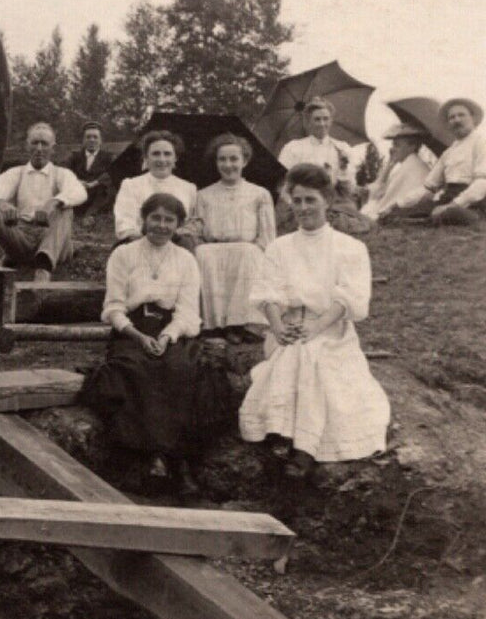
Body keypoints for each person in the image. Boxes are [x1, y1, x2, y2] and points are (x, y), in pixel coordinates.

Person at [238, 164, 391, 479]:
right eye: (297, 200)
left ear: (327, 200)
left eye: (311, 200)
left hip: (332, 332)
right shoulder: (280, 247)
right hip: (287, 328)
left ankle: (303, 447)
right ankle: (282, 432)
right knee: (295, 350)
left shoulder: (350, 248)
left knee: (311, 354)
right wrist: (278, 326)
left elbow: (349, 298)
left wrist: (315, 328)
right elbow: (268, 292)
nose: (303, 208)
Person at [78, 192, 235, 498]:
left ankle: (177, 463)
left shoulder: (186, 259)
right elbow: (113, 307)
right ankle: (145, 459)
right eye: (156, 218)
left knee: (180, 369)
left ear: (178, 225)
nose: (161, 226)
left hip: (172, 330)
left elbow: (188, 311)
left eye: (169, 220)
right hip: (131, 331)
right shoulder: (123, 255)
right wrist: (138, 335)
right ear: (144, 219)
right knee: (134, 370)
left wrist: (166, 336)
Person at [191, 133, 276, 342]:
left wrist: (259, 250)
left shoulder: (259, 194)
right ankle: (213, 324)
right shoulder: (203, 195)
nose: (228, 165)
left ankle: (240, 323)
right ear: (216, 162)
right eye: (222, 159)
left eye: (234, 159)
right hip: (213, 248)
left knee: (248, 253)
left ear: (244, 161)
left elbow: (267, 236)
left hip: (247, 248)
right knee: (202, 253)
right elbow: (198, 232)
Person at [0, 122, 87, 281]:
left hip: (52, 240)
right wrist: (1, 203)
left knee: (65, 209)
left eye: (45, 143)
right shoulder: (16, 173)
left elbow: (80, 192)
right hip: (21, 238)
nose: (39, 148)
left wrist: (55, 202)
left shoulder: (61, 173)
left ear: (53, 148)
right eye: (35, 143)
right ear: (27, 146)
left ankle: (43, 267)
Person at [422, 97, 486, 226]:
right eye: (452, 117)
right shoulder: (449, 152)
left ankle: (424, 222)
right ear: (448, 124)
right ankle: (418, 220)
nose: (457, 120)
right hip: (450, 200)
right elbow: (429, 186)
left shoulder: (485, 142)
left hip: (477, 206)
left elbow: (484, 184)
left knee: (448, 214)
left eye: (461, 115)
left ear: (473, 119)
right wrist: (398, 204)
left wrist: (451, 206)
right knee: (411, 209)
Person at [112, 130, 198, 247]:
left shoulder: (189, 188)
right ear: (146, 157)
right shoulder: (130, 185)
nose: (162, 159)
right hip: (138, 245)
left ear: (175, 158)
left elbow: (191, 224)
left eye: (167, 154)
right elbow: (125, 223)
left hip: (176, 247)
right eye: (156, 154)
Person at [360, 123, 434, 221]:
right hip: (408, 208)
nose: (392, 149)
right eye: (393, 145)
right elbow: (376, 192)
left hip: (410, 210)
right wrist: (389, 165)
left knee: (367, 211)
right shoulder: (409, 163)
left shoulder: (412, 165)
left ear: (412, 146)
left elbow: (378, 198)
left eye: (397, 145)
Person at [277, 97, 355, 188]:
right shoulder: (293, 148)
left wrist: (343, 168)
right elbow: (283, 183)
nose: (322, 124)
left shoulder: (342, 148)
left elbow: (351, 185)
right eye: (317, 119)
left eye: (326, 119)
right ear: (308, 122)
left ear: (331, 121)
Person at [61, 121, 115, 217]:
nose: (92, 140)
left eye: (95, 137)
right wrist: (77, 181)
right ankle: (75, 212)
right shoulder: (75, 156)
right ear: (83, 140)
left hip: (99, 196)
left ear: (101, 140)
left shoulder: (108, 157)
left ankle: (91, 215)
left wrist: (95, 183)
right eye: (88, 137)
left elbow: (113, 172)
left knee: (106, 188)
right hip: (79, 193)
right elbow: (64, 170)